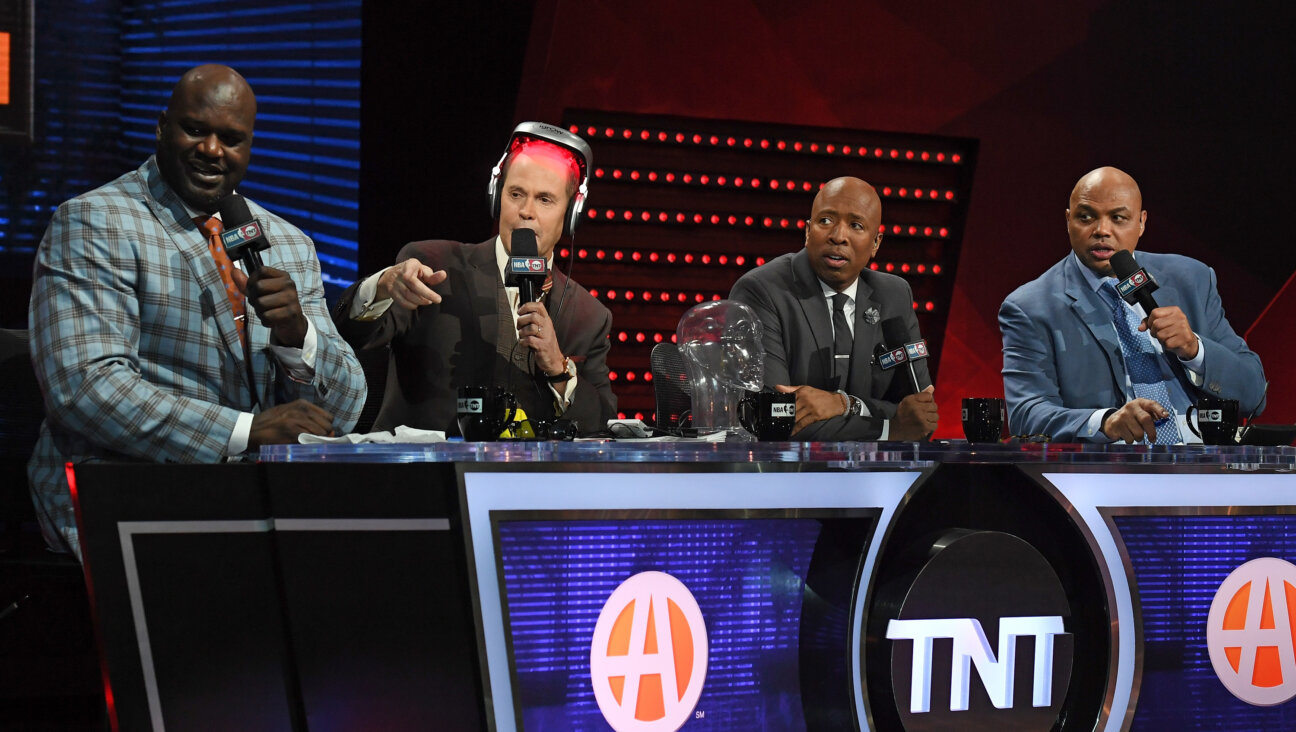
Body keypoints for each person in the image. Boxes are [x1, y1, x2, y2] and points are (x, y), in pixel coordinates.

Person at [28, 65, 368, 557]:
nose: (211, 150)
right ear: (162, 126)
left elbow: (343, 413)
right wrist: (247, 431)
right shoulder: (94, 222)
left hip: (256, 512)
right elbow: (86, 387)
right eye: (195, 129)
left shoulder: (289, 244)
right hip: (125, 503)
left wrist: (298, 337)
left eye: (231, 138)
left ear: (249, 147)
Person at [333, 123, 615, 435]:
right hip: (426, 476)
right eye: (516, 194)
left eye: (545, 199)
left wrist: (559, 368)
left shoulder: (590, 316)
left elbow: (601, 424)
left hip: (524, 480)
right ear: (497, 196)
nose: (526, 211)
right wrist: (381, 287)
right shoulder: (434, 265)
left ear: (572, 213)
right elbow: (350, 337)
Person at [999, 166, 1266, 443]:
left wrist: (1195, 350)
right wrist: (1105, 422)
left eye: (1118, 217)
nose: (1102, 230)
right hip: (1111, 469)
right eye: (1086, 217)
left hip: (1203, 464)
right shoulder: (1030, 307)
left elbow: (1254, 394)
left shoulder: (1192, 279)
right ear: (1068, 221)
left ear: (1141, 222)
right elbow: (1026, 414)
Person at [728, 176, 939, 440]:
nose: (838, 236)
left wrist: (844, 404)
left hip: (878, 476)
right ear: (807, 231)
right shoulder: (762, 291)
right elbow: (775, 419)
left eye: (856, 225)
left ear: (876, 243)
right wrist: (890, 428)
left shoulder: (894, 295)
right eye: (825, 221)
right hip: (787, 473)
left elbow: (921, 416)